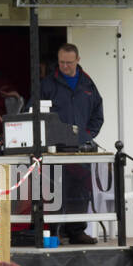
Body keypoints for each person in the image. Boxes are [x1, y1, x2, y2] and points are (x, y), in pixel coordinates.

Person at [39, 43, 104, 245]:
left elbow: (98, 115)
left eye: (68, 62)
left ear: (78, 60)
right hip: (54, 150)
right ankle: (53, 232)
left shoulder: (88, 84)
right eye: (61, 62)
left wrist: (86, 136)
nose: (64, 66)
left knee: (80, 192)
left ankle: (77, 232)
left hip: (80, 150)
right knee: (53, 192)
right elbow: (34, 112)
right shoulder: (47, 84)